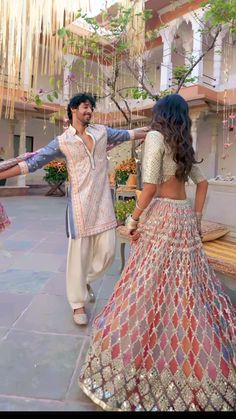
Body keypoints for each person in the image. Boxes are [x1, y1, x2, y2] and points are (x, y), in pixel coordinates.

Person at [78, 94, 236, 411]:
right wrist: (196, 218)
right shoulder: (183, 144)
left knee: (146, 287)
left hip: (161, 217)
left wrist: (133, 218)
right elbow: (202, 185)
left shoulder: (154, 136)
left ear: (159, 114)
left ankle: (143, 362)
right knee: (186, 292)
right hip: (183, 219)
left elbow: (148, 185)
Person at [0, 93, 148, 326]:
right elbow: (32, 162)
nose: (89, 111)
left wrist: (157, 129)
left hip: (102, 205)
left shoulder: (102, 132)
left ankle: (83, 280)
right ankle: (77, 303)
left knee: (108, 253)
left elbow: (131, 134)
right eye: (85, 107)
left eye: (91, 107)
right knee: (78, 256)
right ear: (73, 109)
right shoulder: (62, 141)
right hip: (79, 206)